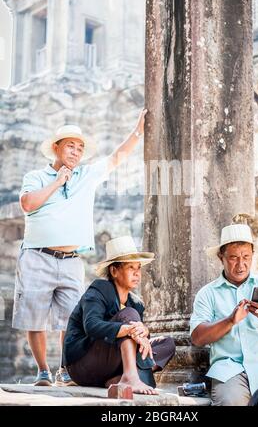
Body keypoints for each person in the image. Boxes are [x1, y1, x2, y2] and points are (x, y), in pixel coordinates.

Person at [12, 109, 147, 387]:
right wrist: (57, 182)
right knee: (34, 317)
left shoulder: (87, 175)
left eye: (80, 147)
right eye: (70, 145)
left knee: (70, 318)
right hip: (37, 255)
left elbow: (117, 157)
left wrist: (138, 131)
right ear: (56, 148)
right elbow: (27, 204)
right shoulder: (36, 176)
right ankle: (42, 371)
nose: (76, 151)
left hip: (72, 259)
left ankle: (64, 369)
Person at [190, 223, 258, 406]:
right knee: (231, 402)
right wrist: (230, 321)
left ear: (252, 255)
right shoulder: (207, 293)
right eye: (233, 258)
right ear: (221, 257)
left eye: (246, 257)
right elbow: (197, 338)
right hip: (230, 372)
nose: (241, 264)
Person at [62, 236, 176, 395]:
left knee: (167, 343)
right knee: (129, 316)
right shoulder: (98, 290)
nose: (137, 273)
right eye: (130, 267)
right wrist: (129, 329)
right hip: (83, 365)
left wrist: (143, 331)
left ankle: (120, 378)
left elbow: (136, 342)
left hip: (111, 365)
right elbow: (92, 326)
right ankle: (132, 376)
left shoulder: (136, 303)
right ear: (114, 270)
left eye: (138, 268)